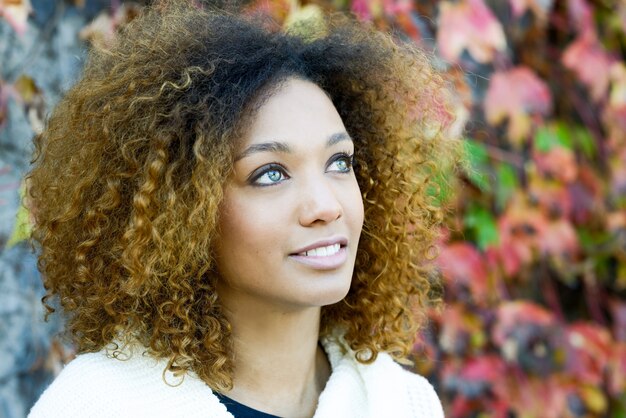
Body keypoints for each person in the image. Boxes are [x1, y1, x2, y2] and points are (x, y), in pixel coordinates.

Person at [26, 1, 458, 416]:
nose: (326, 206)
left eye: (339, 163)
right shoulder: (97, 407)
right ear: (183, 211)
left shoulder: (400, 403)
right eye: (270, 173)